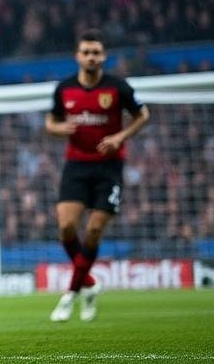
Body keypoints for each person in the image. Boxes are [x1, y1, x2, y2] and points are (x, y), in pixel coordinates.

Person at [45, 29, 149, 323]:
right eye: (86, 52)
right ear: (77, 56)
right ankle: (89, 283)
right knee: (66, 228)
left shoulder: (117, 88)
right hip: (76, 166)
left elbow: (143, 115)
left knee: (92, 231)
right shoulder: (64, 89)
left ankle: (70, 294)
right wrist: (56, 128)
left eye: (96, 52)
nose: (91, 57)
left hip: (108, 167)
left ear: (103, 56)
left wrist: (121, 136)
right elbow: (50, 120)